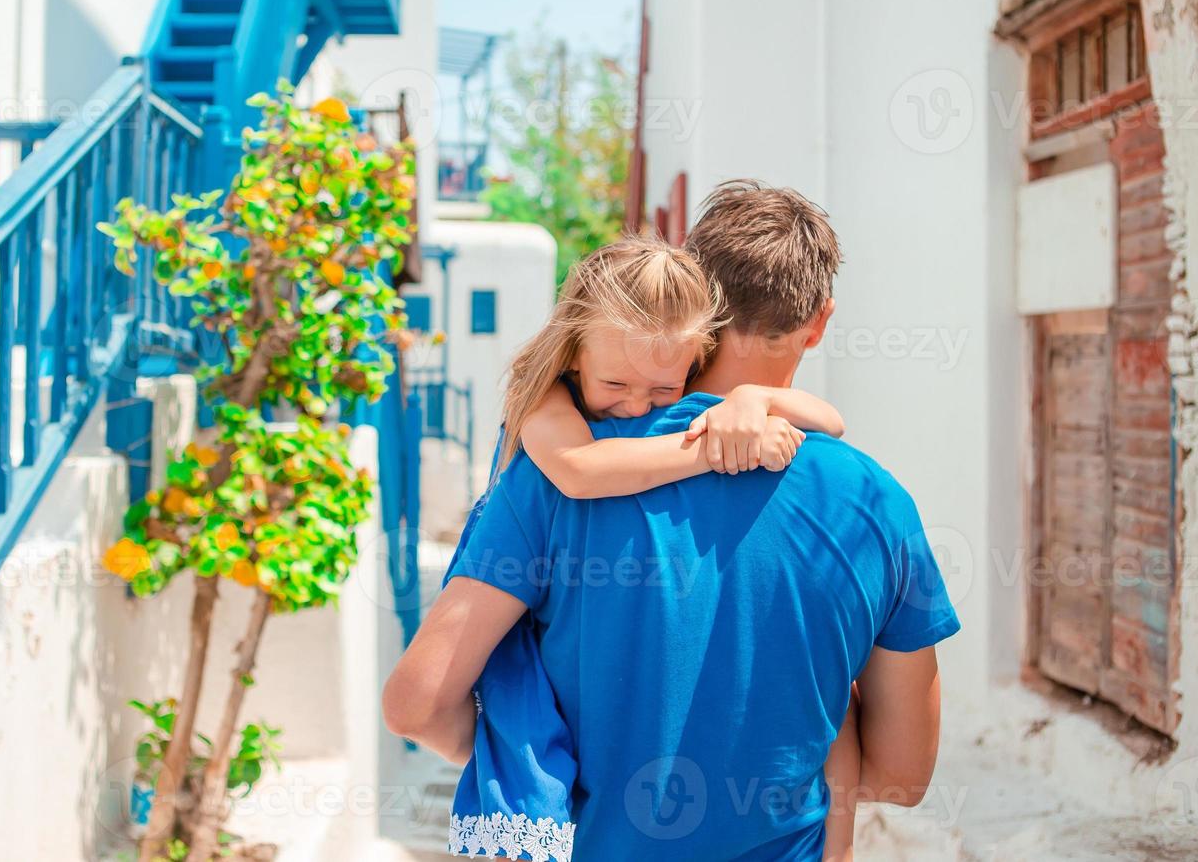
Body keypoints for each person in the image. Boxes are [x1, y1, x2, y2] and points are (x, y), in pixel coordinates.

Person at [384, 180, 960, 861]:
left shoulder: (554, 470)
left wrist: (527, 757)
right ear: (821, 319)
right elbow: (899, 777)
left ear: (697, 305)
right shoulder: (876, 504)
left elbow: (418, 702)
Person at [430, 236, 851, 861]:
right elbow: (582, 471)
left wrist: (752, 400)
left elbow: (831, 421)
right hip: (512, 620)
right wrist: (716, 446)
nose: (633, 407)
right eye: (615, 384)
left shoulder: (663, 384)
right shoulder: (542, 396)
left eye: (661, 393)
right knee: (527, 753)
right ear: (573, 353)